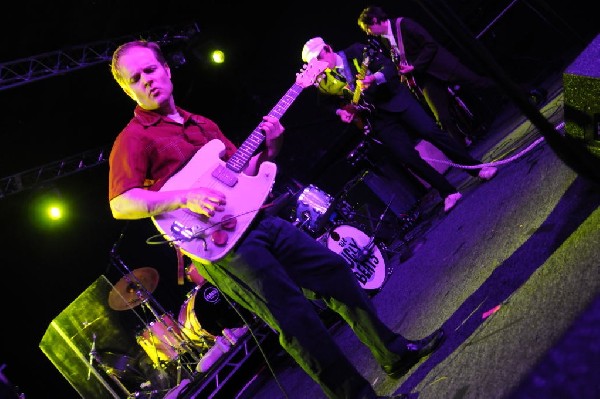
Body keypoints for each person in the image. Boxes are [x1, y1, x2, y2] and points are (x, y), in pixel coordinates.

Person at [107, 39, 445, 399]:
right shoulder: (133, 140)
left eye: (150, 69)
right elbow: (121, 203)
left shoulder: (201, 123)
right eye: (135, 78)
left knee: (333, 273)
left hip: (257, 220)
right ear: (127, 89)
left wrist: (271, 149)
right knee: (295, 320)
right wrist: (184, 196)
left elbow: (242, 172)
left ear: (166, 69)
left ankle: (392, 353)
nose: (146, 79)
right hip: (222, 247)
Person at [301, 37, 498, 213]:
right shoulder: (323, 80)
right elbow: (324, 103)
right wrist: (340, 111)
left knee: (432, 132)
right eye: (312, 65)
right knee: (407, 156)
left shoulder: (356, 50)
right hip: (377, 117)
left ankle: (477, 168)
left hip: (396, 99)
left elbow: (388, 67)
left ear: (327, 48)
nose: (317, 66)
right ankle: (447, 191)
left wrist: (373, 78)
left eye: (318, 59)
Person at [357, 5, 501, 147]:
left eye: (368, 28)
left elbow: (430, 45)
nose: (369, 33)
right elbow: (401, 58)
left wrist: (414, 66)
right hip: (425, 79)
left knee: (480, 83)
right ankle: (462, 153)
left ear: (375, 20)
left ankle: (519, 92)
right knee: (443, 119)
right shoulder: (384, 40)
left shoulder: (404, 24)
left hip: (440, 66)